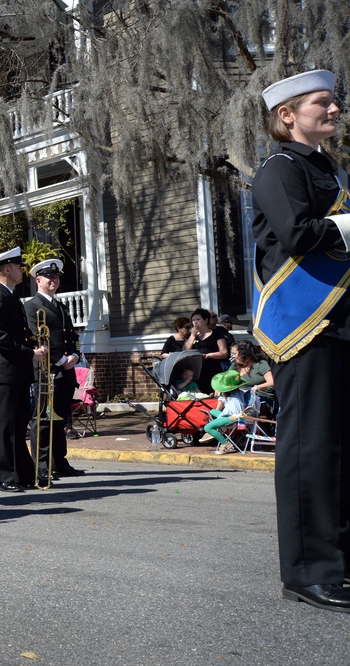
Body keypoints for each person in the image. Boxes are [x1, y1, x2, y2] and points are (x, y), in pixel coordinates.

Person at [249, 69, 350, 612]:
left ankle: (339, 563)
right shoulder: (280, 167)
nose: (334, 110)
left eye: (336, 103)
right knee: (311, 449)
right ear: (287, 115)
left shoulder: (328, 167)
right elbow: (299, 235)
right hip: (304, 327)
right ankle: (308, 572)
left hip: (340, 325)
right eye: (322, 103)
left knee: (342, 451)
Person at [0, 246, 46, 492]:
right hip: (5, 372)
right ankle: (3, 477)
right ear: (6, 269)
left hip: (17, 371)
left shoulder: (11, 297)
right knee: (4, 427)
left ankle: (22, 473)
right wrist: (30, 354)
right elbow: (0, 339)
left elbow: (20, 335)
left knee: (19, 425)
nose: (22, 271)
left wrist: (35, 347)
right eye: (19, 267)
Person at [23, 259, 85, 485]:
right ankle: (41, 465)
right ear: (38, 280)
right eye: (50, 278)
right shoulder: (31, 306)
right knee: (43, 419)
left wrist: (75, 356)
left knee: (61, 419)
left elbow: (73, 336)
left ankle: (60, 461)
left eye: (57, 277)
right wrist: (60, 359)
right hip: (47, 371)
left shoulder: (61, 306)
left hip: (66, 370)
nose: (54, 281)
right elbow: (36, 337)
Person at [198, 370, 250, 454]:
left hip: (232, 418)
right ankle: (216, 429)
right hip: (241, 417)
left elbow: (219, 409)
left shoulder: (224, 396)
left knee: (207, 427)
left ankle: (225, 443)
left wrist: (218, 395)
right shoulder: (242, 392)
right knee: (212, 411)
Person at [182, 308, 228, 393]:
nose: (195, 322)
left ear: (206, 320)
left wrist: (209, 355)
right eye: (193, 320)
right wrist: (192, 336)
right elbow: (185, 350)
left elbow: (224, 352)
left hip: (213, 368)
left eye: (198, 319)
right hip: (197, 369)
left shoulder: (217, 334)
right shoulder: (190, 335)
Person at [228, 340, 275, 406]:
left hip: (260, 397)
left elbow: (272, 382)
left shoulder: (260, 364)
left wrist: (257, 387)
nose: (233, 356)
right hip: (240, 396)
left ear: (244, 354)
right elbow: (226, 380)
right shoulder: (234, 366)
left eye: (235, 354)